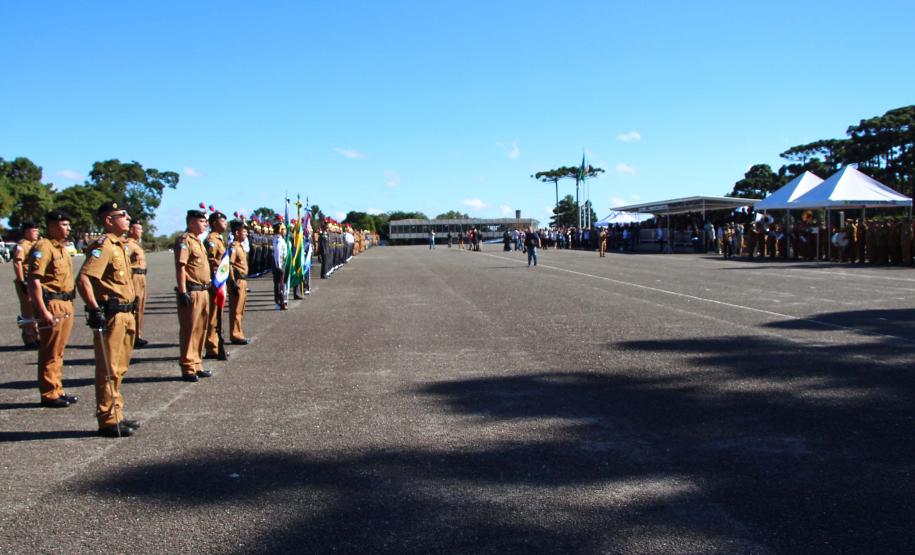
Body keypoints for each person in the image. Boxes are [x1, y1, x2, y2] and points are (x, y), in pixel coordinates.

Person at [76, 202, 139, 438]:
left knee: (119, 368)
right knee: (108, 368)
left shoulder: (119, 245)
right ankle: (108, 419)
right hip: (112, 315)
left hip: (126, 313)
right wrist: (94, 309)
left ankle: (116, 414)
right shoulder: (104, 246)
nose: (128, 218)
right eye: (122, 215)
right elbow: (83, 279)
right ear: (109, 220)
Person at [28, 210, 78, 408]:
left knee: (59, 350)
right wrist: (42, 311)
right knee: (50, 350)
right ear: (51, 226)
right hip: (52, 304)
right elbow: (34, 280)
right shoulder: (43, 247)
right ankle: (49, 393)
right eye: (64, 225)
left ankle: (57, 388)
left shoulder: (62, 249)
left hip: (66, 302)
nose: (67, 228)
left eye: (68, 225)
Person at [174, 209, 212, 382]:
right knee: (190, 330)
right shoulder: (185, 240)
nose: (205, 223)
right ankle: (188, 366)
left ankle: (197, 363)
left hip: (203, 290)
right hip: (192, 290)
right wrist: (182, 291)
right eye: (202, 221)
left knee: (201, 329)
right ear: (191, 223)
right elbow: (181, 267)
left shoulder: (199, 241)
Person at [204, 211, 228, 359]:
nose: (225, 223)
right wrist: (216, 281)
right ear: (214, 223)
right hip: (215, 281)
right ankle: (212, 347)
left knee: (218, 315)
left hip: (221, 281)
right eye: (222, 221)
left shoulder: (219, 239)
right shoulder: (211, 240)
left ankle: (216, 344)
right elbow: (212, 262)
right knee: (213, 315)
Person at [13, 221, 40, 348]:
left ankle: (35, 335)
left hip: (34, 280)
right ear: (26, 232)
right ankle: (29, 337)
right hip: (26, 281)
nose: (36, 233)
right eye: (33, 230)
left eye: (37, 230)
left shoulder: (36, 244)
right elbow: (18, 262)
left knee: (36, 309)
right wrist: (21, 280)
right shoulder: (22, 245)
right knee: (27, 310)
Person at [125, 221, 149, 347]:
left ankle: (137, 335)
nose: (141, 231)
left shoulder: (136, 244)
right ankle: (133, 336)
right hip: (134, 276)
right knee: (135, 306)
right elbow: (124, 259)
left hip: (141, 276)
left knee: (140, 306)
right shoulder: (129, 244)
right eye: (138, 228)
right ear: (131, 230)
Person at [228, 220, 251, 345]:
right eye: (244, 231)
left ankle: (238, 332)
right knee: (236, 310)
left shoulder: (240, 246)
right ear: (237, 232)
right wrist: (232, 281)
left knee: (240, 309)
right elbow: (229, 265)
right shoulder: (234, 247)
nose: (246, 233)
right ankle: (236, 335)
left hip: (242, 280)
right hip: (237, 280)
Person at [273, 222, 288, 309]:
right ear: (280, 230)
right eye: (284, 229)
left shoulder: (280, 239)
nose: (285, 231)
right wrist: (279, 266)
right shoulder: (278, 240)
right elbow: (278, 253)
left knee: (279, 284)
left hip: (279, 263)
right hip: (279, 264)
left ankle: (279, 302)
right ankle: (279, 303)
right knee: (279, 284)